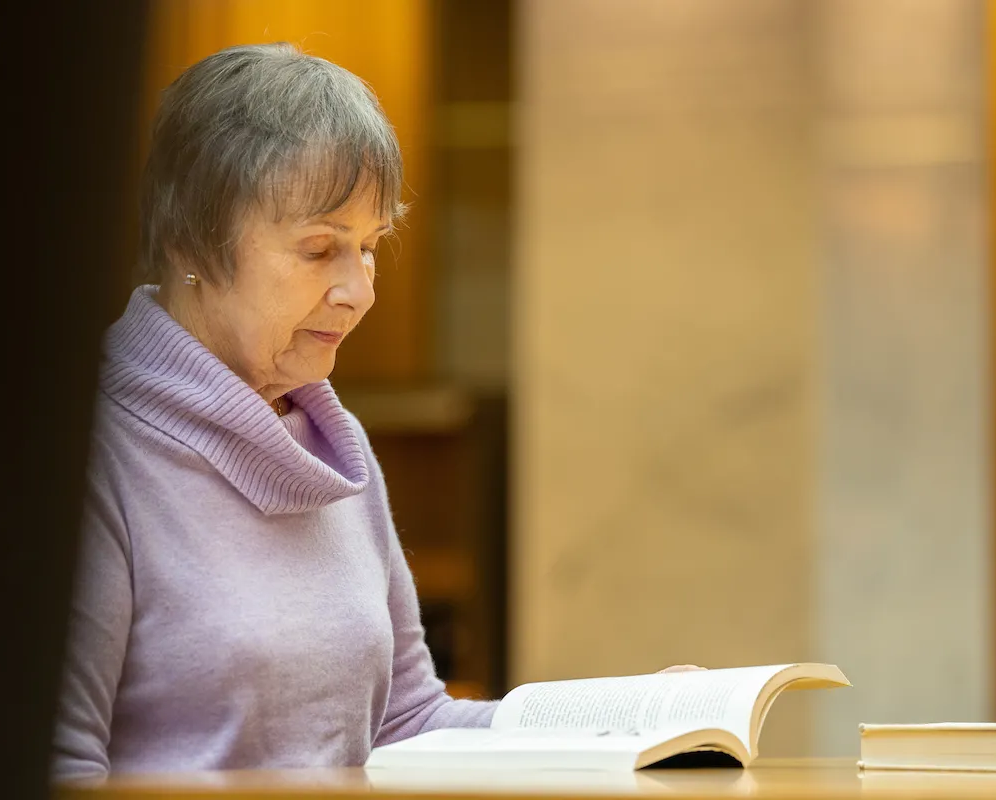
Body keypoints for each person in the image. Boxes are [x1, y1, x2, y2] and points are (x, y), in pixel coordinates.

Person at [53, 42, 698, 780]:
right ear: (187, 239)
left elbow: (410, 721)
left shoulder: (333, 443)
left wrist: (628, 722)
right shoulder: (89, 452)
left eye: (369, 247)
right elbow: (55, 769)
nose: (358, 291)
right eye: (320, 248)